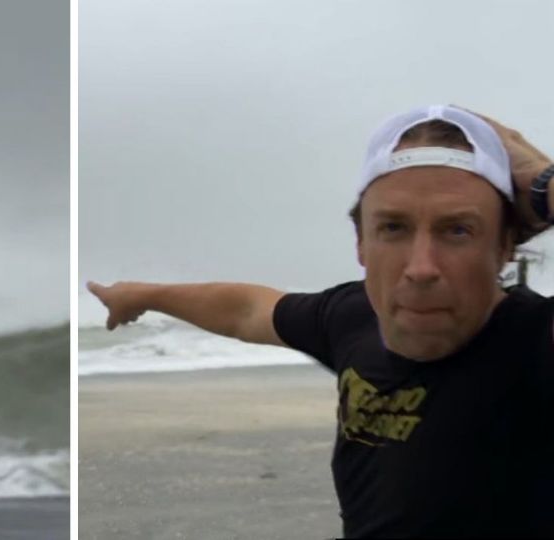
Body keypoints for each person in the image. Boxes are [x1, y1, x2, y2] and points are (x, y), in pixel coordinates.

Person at [87, 104, 554, 538]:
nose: (421, 268)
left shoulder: (535, 343)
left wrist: (543, 185)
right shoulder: (352, 317)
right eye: (393, 228)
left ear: (505, 245)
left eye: (457, 230)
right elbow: (247, 310)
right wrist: (143, 295)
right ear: (360, 243)